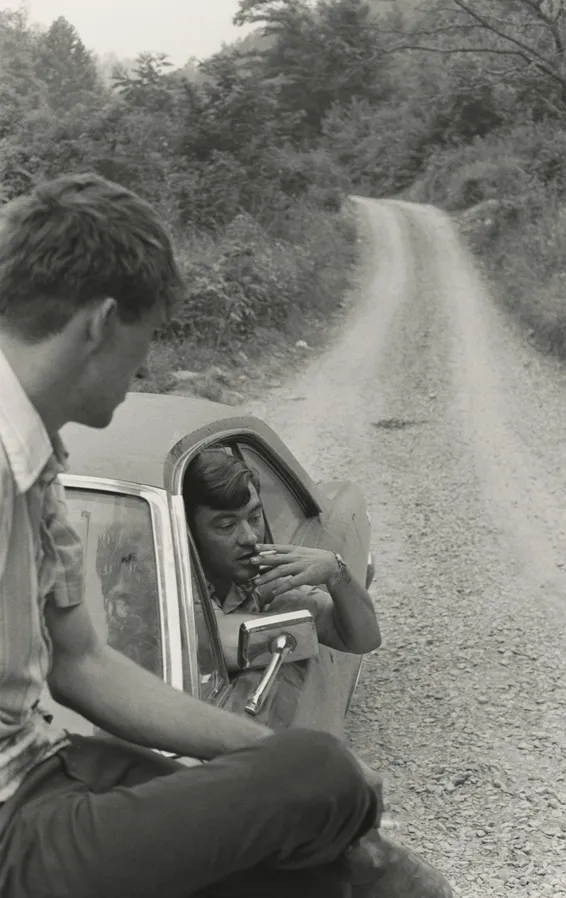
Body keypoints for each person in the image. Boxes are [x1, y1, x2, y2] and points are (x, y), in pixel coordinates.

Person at [0, 173, 454, 898]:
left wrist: (275, 762)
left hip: (49, 768)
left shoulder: (38, 458)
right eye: (144, 340)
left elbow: (82, 662)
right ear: (101, 323)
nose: (142, 367)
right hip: (14, 831)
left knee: (341, 853)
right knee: (327, 781)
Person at [183, 448, 382, 671]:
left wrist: (336, 571)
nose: (250, 537)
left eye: (255, 517)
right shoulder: (172, 588)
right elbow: (218, 641)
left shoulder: (265, 576)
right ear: (189, 535)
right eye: (227, 526)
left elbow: (365, 639)